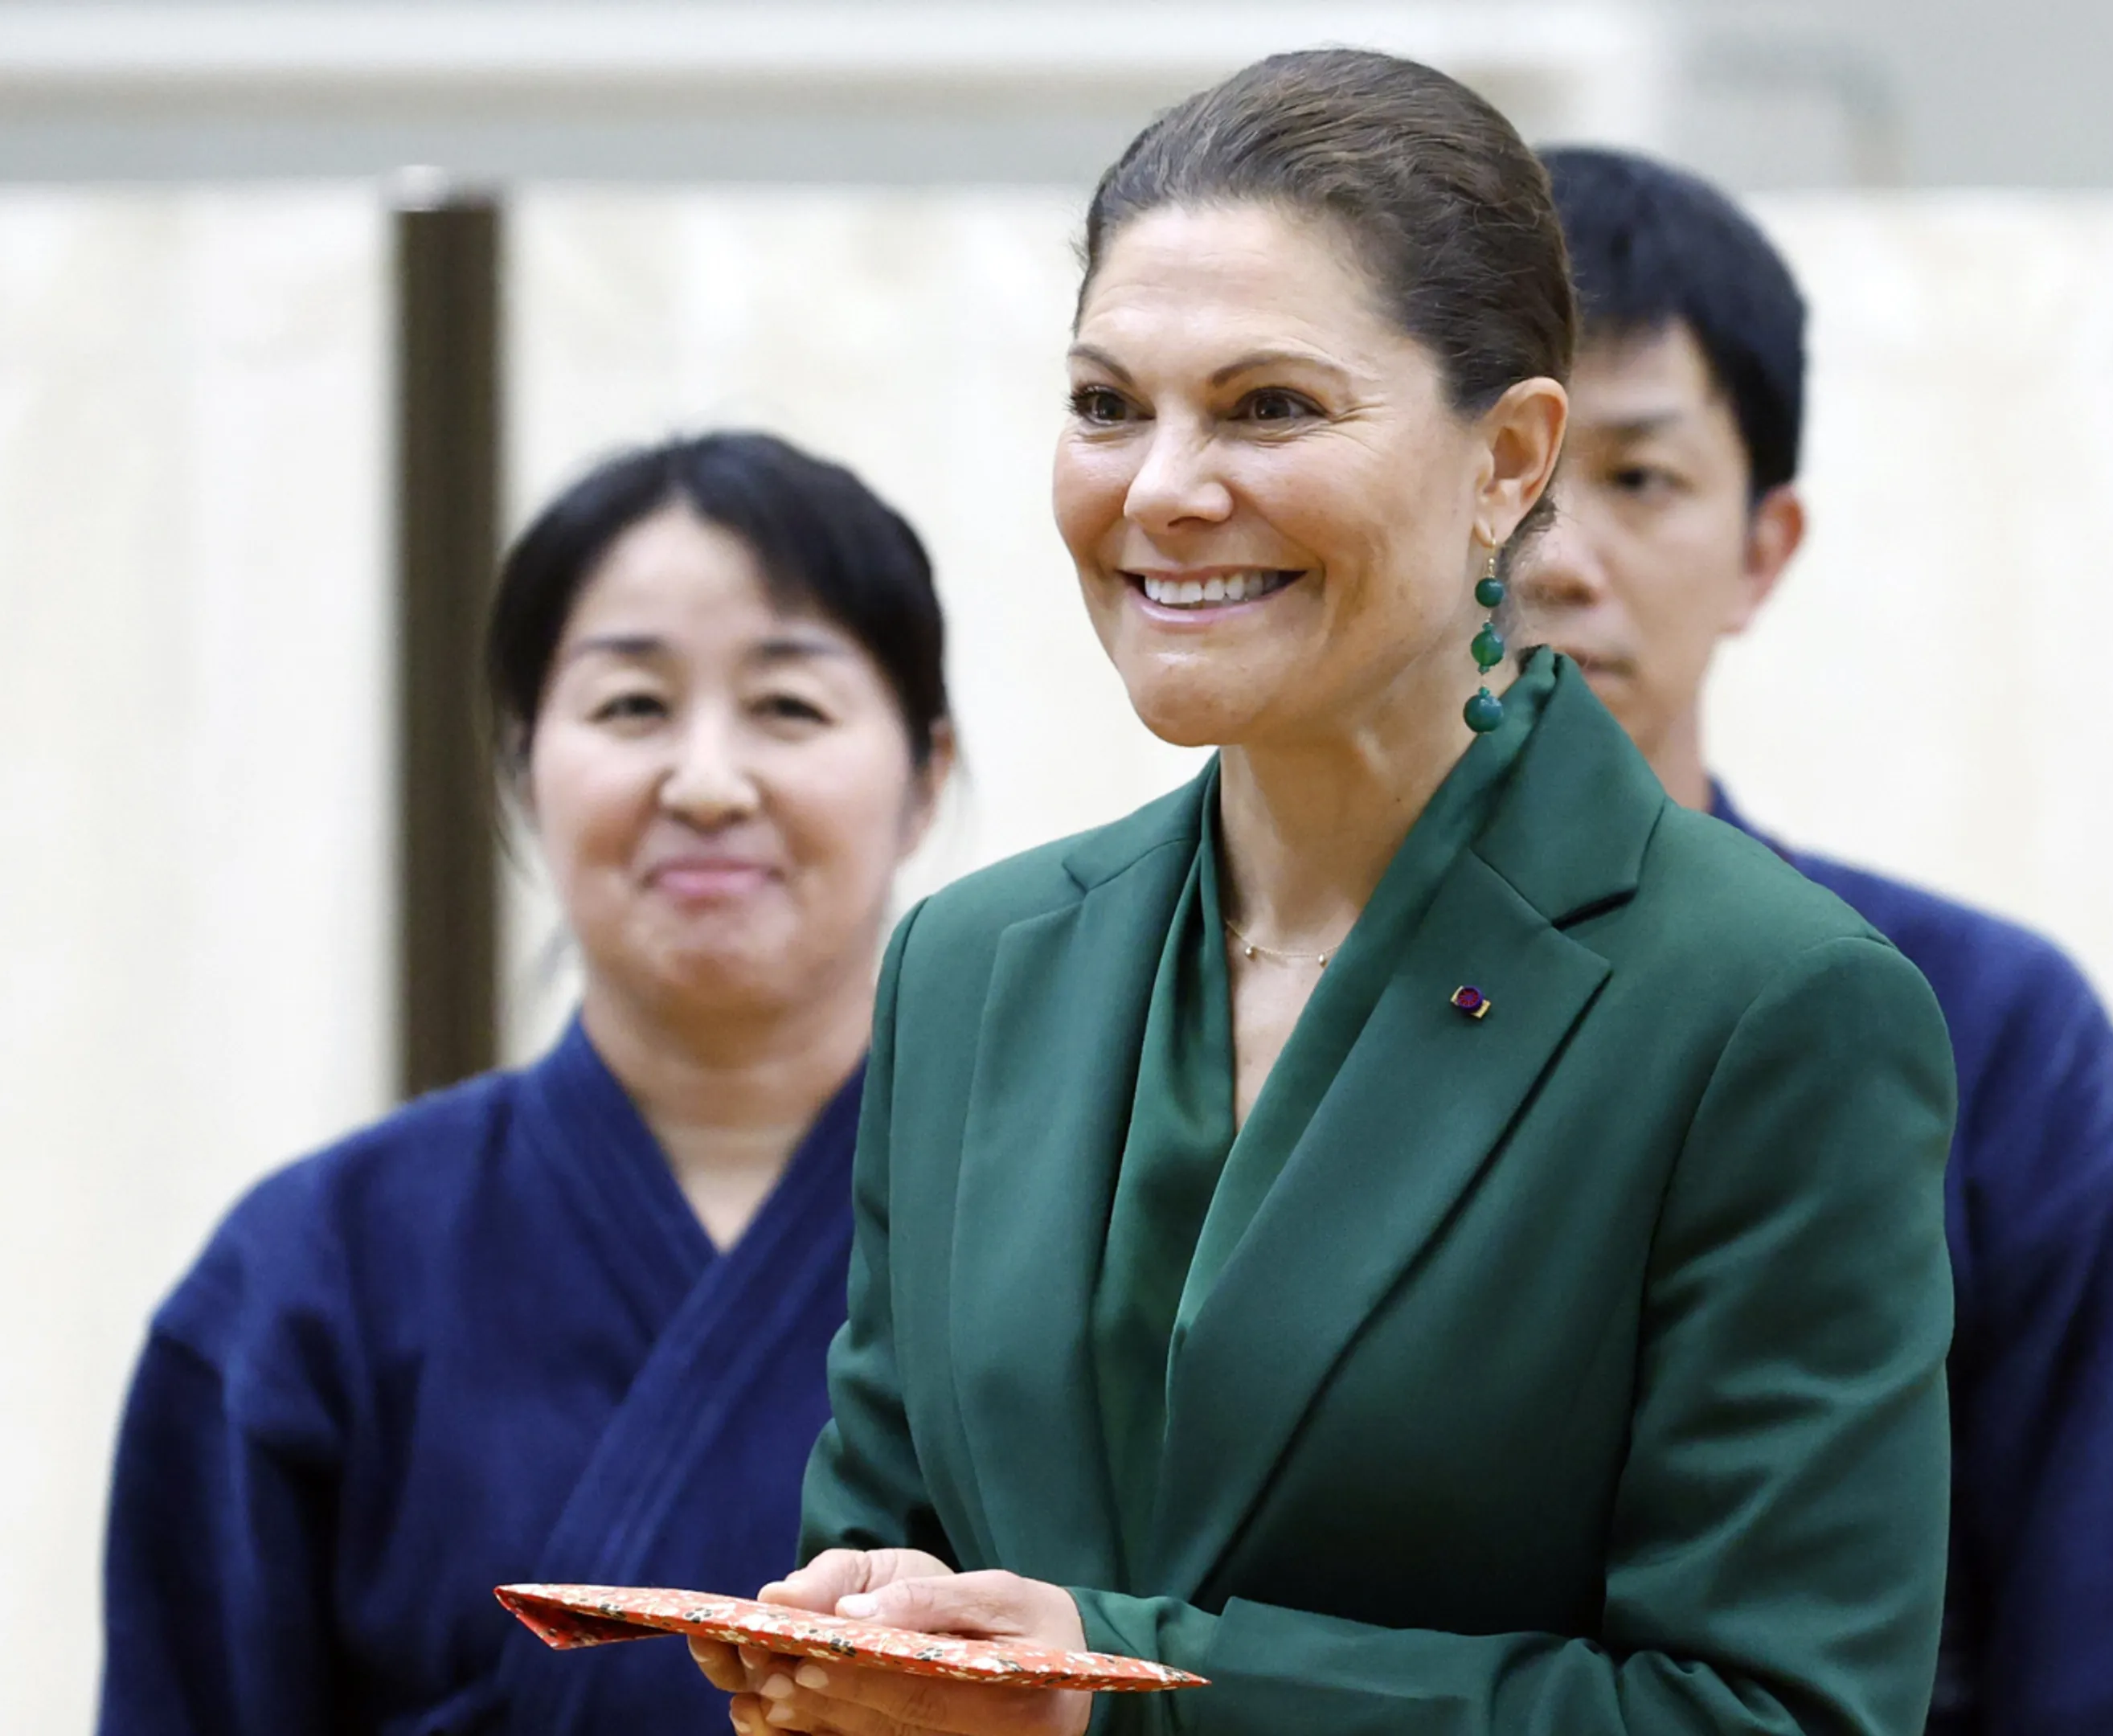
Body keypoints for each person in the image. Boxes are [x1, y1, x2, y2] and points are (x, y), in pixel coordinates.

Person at [696, 49, 1958, 1736]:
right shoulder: (974, 969)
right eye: (1106, 405)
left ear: (1509, 459)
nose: (1162, 488)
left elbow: (1774, 1714)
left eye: (1270, 407)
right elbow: (894, 1536)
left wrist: (1120, 1701)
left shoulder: (1762, 1006)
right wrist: (857, 1646)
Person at [1512, 145, 2113, 1735]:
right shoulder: (1205, 996)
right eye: (1506, 478)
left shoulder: (1992, 1033)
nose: (1560, 560)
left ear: (1764, 550)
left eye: (1642, 478)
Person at [96, 431, 957, 1736]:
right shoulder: (307, 1276)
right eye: (632, 707)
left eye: (789, 707)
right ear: (522, 767)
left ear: (924, 775)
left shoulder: (1069, 1244)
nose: (707, 782)